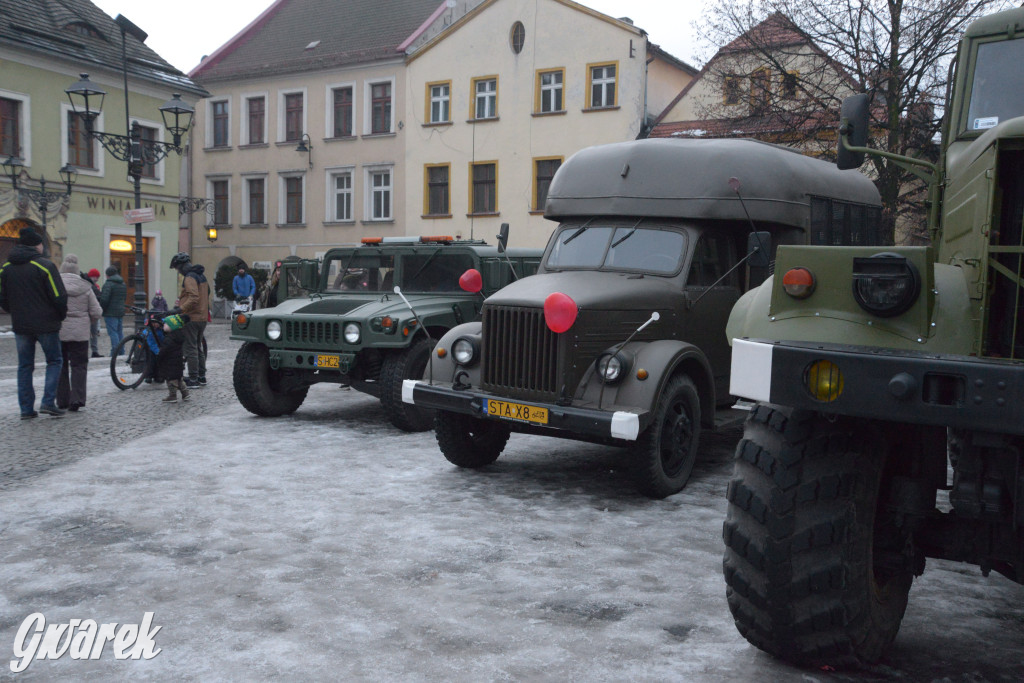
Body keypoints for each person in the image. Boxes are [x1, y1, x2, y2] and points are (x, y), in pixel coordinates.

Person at [0, 227, 68, 418]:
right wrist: (60, 315)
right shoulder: (45, 266)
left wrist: (16, 312)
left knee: (25, 366)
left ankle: (26, 409)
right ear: (36, 245)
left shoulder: (6, 268)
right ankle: (47, 402)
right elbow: (59, 296)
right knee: (54, 361)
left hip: (21, 325)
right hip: (47, 323)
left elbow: (2, 298)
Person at [56, 254, 101, 412]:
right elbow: (96, 311)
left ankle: (62, 400)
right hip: (80, 333)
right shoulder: (86, 287)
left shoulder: (55, 285)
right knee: (79, 366)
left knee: (60, 366)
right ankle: (77, 399)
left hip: (59, 331)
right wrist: (89, 321)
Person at [170, 252, 209, 388]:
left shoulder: (189, 277)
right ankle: (201, 376)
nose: (178, 272)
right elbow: (206, 293)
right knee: (198, 348)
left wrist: (180, 309)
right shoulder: (201, 276)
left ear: (182, 266)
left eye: (178, 268)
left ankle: (193, 379)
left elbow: (193, 297)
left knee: (191, 348)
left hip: (192, 317)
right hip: (202, 316)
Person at [156, 313, 190, 403]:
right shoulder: (179, 336)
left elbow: (164, 350)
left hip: (170, 363)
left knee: (171, 381)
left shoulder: (169, 338)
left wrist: (159, 357)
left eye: (166, 324)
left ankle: (172, 396)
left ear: (172, 326)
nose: (164, 325)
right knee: (180, 379)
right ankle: (185, 394)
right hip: (178, 362)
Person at [99, 265, 127, 356]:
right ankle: (121, 351)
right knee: (119, 332)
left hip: (110, 312)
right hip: (120, 311)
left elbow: (104, 299)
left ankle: (115, 351)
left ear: (108, 275)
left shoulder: (108, 284)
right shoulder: (123, 284)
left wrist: (101, 309)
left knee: (113, 332)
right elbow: (124, 297)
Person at [84, 268, 103, 358]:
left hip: (92, 312)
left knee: (93, 333)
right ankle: (90, 351)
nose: (97, 279)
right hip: (88, 313)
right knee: (89, 333)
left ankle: (94, 351)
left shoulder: (93, 285)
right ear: (92, 276)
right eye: (96, 277)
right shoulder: (88, 285)